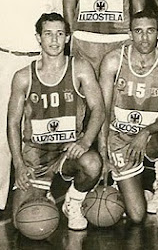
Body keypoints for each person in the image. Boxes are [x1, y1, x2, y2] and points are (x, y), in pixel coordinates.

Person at [7, 13, 104, 230]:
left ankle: (74, 201)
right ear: (38, 38)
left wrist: (85, 141)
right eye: (48, 34)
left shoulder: (80, 68)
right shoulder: (23, 76)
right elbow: (13, 123)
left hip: (68, 151)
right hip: (36, 156)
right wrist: (19, 164)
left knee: (92, 163)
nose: (54, 40)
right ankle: (44, 192)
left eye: (60, 34)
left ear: (68, 38)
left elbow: (99, 108)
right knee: (24, 223)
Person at [99, 10, 158, 233]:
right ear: (130, 34)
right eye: (138, 31)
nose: (144, 38)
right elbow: (102, 111)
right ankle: (135, 189)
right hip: (120, 138)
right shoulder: (113, 61)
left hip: (151, 137)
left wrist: (145, 132)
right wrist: (103, 152)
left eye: (150, 31)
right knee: (136, 216)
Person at [0, 0, 63, 210]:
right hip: (6, 61)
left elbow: (58, 27)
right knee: (4, 130)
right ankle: (0, 197)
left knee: (41, 130)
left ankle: (40, 189)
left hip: (41, 63)